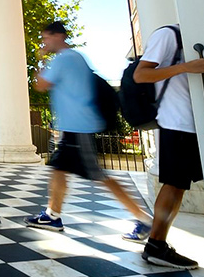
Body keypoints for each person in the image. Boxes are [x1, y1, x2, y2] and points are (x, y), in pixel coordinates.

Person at [25, 22, 154, 238]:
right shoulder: (76, 58)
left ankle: (143, 219)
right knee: (59, 170)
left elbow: (40, 84)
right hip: (75, 126)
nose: (44, 42)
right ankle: (52, 215)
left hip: (79, 127)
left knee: (101, 177)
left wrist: (40, 59)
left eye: (46, 37)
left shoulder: (64, 59)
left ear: (58, 36)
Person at [127, 24, 204, 269]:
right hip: (176, 121)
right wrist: (186, 67)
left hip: (191, 124)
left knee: (178, 186)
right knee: (174, 185)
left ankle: (157, 244)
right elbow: (140, 74)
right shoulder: (169, 34)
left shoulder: (196, 34)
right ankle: (155, 245)